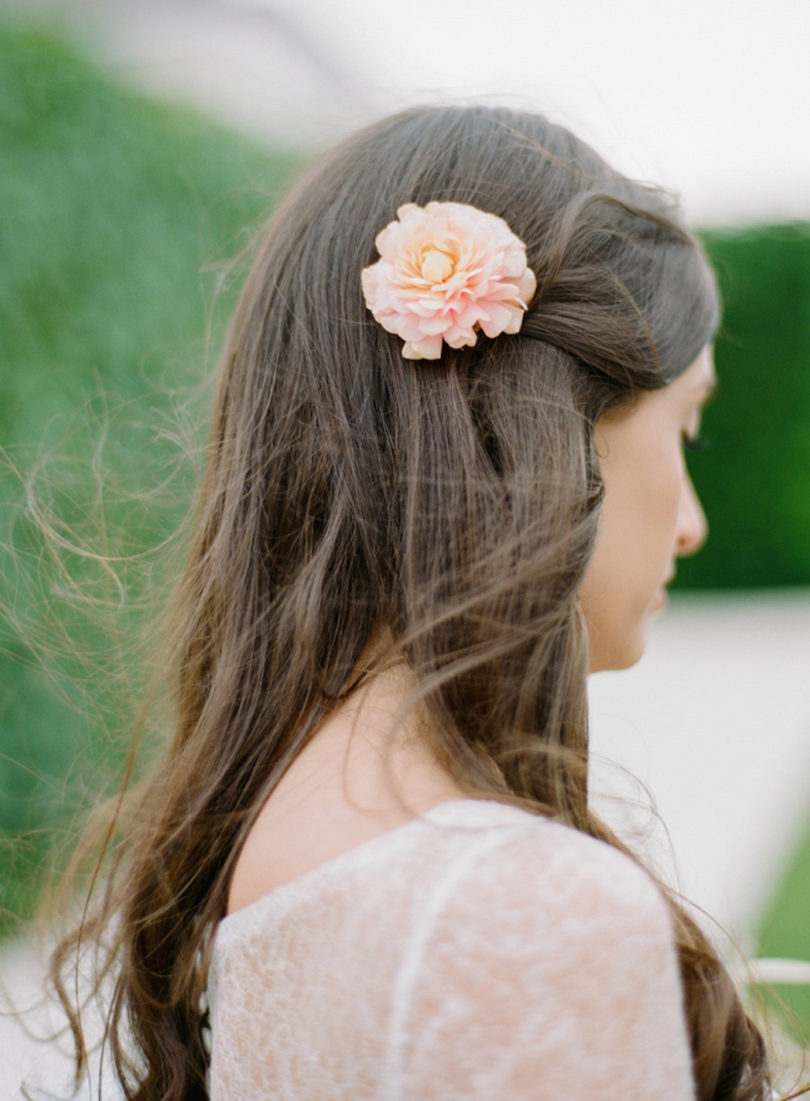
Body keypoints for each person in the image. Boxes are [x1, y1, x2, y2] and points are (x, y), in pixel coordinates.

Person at [52, 104, 783, 1101]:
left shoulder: (280, 834)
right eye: (685, 430)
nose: (692, 522)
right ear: (550, 430)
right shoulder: (524, 911)